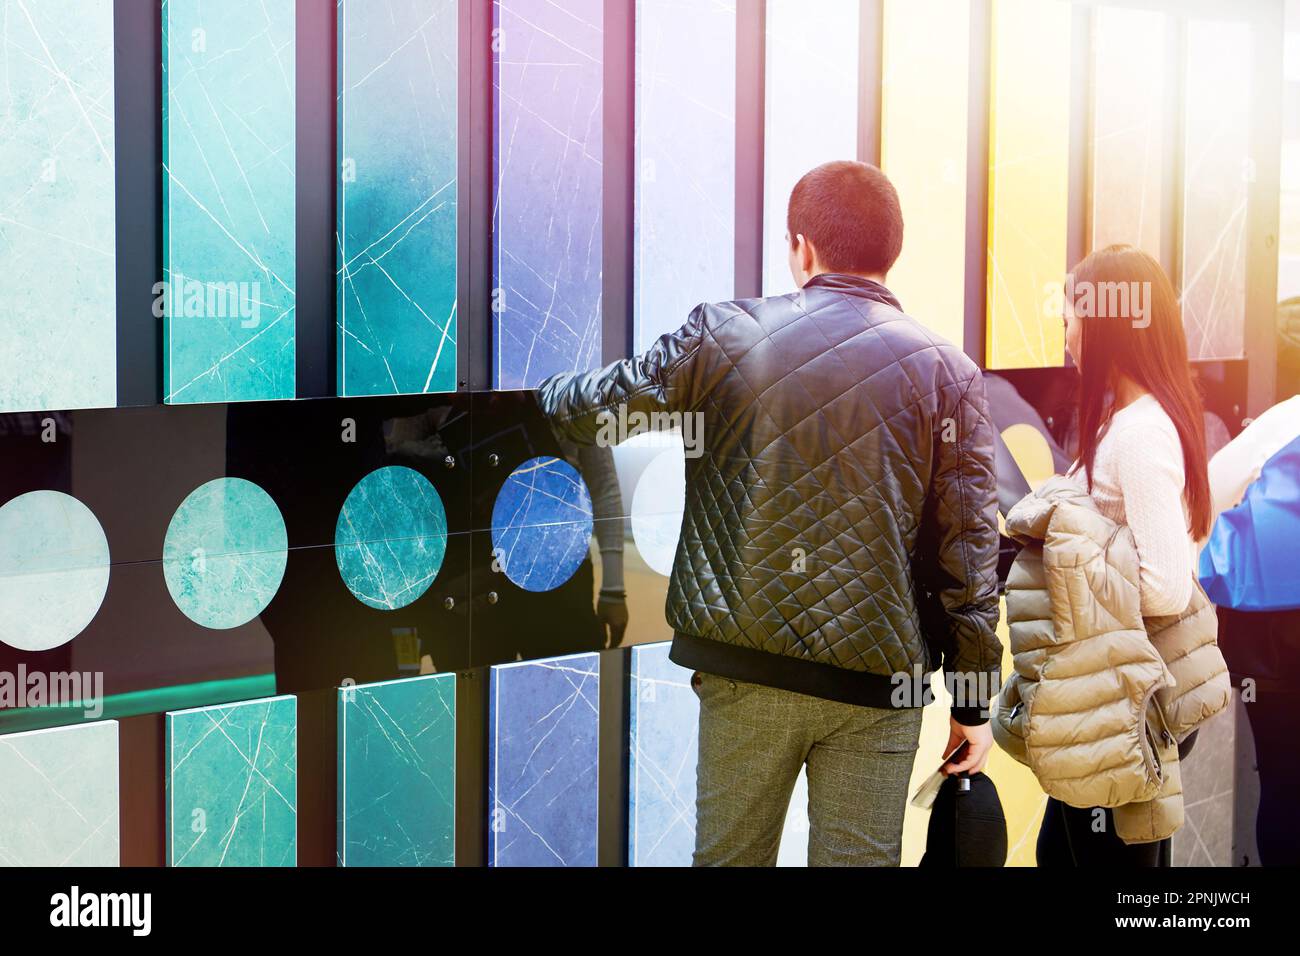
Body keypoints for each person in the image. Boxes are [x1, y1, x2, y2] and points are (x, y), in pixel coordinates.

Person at [538, 160, 1002, 866]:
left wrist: (538, 396)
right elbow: (968, 556)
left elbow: (603, 407)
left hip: (743, 668)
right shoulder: (948, 371)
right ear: (892, 251)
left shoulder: (723, 336)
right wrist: (972, 704)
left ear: (802, 247)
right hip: (879, 686)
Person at [1036, 244, 1214, 867]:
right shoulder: (1134, 421)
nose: (1066, 339)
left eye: (1069, 321)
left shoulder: (1139, 434)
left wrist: (1068, 581)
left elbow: (1165, 584)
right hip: (1106, 701)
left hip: (1121, 708)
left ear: (1106, 323)